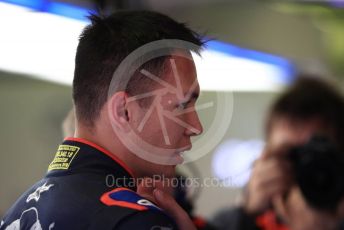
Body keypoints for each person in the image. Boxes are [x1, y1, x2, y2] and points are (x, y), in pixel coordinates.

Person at [0, 10, 204, 229]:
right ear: (124, 112)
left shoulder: (16, 214)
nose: (196, 127)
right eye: (181, 105)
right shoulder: (136, 221)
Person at [145, 76, 344, 230]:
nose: (308, 167)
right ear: (267, 155)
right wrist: (247, 214)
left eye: (320, 156)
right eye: (293, 155)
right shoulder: (229, 223)